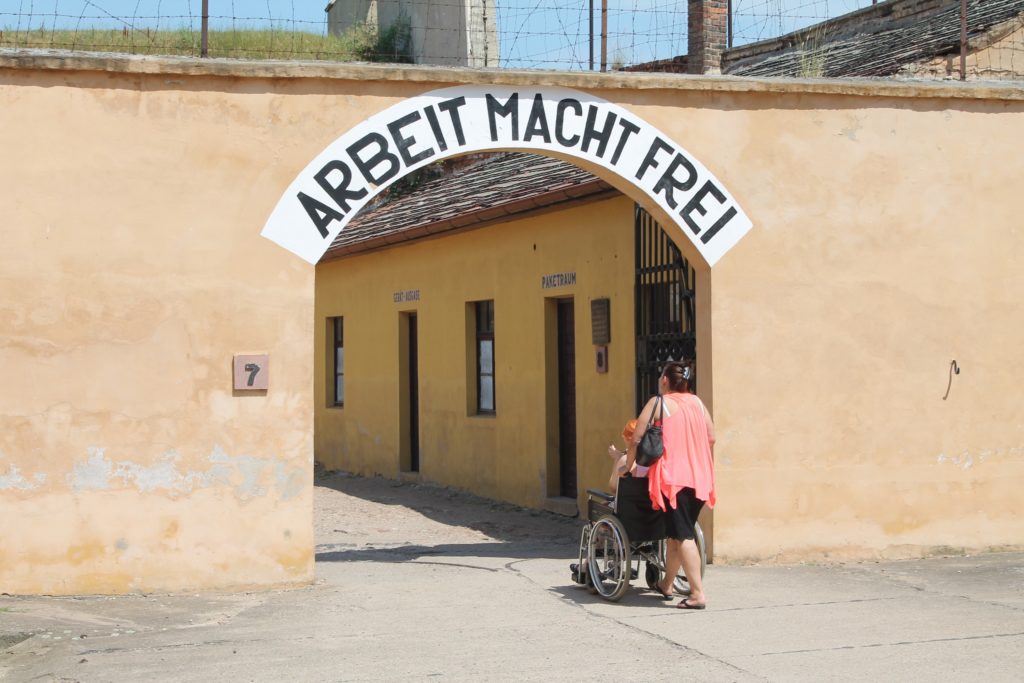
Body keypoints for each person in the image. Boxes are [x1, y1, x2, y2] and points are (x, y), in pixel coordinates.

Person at [625, 361, 715, 610]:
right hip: (700, 478)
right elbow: (712, 437)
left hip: (674, 480)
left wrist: (628, 467)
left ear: (665, 379)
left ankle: (697, 594)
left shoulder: (658, 403)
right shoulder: (697, 403)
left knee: (683, 535)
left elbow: (636, 438)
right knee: (675, 535)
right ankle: (666, 583)